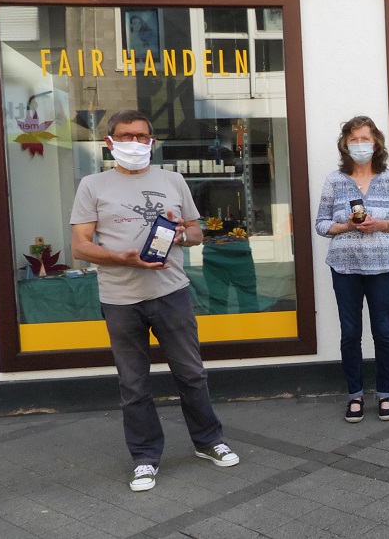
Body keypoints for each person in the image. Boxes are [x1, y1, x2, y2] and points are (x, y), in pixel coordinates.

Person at [70, 110, 239, 492]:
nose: (135, 143)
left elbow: (196, 232)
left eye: (142, 136)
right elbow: (79, 247)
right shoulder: (92, 185)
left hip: (171, 293)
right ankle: (145, 457)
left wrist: (183, 234)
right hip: (119, 298)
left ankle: (208, 441)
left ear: (152, 142)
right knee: (133, 384)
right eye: (126, 136)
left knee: (191, 374)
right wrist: (119, 258)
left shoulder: (173, 180)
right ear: (110, 142)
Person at [315, 115, 389, 423]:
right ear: (345, 144)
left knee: (383, 331)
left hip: (383, 265)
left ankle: (385, 394)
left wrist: (380, 224)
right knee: (350, 332)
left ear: (376, 142)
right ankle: (355, 394)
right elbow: (321, 225)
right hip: (345, 267)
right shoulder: (334, 180)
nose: (360, 145)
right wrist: (346, 226)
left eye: (365, 139)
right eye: (353, 140)